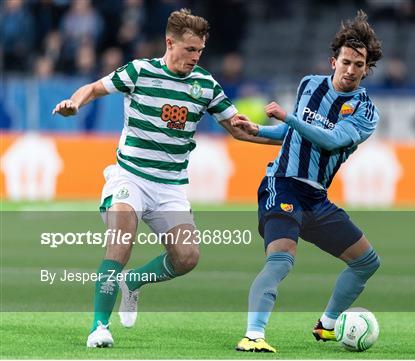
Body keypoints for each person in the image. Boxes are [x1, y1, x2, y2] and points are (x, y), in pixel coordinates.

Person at [52, 8, 270, 348]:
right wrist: (74, 103)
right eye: (189, 50)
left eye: (200, 51)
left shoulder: (205, 85)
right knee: (121, 239)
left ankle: (134, 282)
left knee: (187, 258)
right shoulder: (139, 72)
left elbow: (238, 131)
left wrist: (287, 136)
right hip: (130, 176)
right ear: (170, 43)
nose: (195, 57)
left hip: (171, 187)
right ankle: (99, 327)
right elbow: (94, 88)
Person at [230, 10, 383, 353]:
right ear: (333, 61)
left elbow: (329, 140)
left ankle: (327, 326)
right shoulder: (308, 85)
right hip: (282, 183)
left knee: (367, 262)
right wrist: (260, 130)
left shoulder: (365, 112)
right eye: (346, 62)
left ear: (367, 68)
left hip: (316, 198)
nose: (351, 70)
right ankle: (254, 335)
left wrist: (289, 117)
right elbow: (291, 134)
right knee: (282, 258)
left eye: (359, 65)